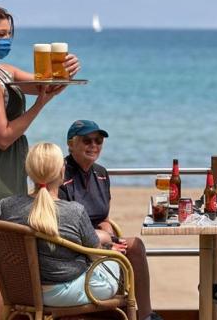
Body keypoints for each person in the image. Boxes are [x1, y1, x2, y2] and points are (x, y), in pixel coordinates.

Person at [0, 3, 80, 319]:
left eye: (10, 33)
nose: (7, 39)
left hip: (8, 169)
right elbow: (2, 137)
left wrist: (65, 69)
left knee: (6, 270)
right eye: (1, 34)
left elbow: (45, 83)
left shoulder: (2, 71)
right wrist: (41, 104)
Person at [0, 143, 121, 307]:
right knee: (117, 263)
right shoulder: (75, 211)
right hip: (65, 292)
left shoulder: (8, 205)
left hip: (24, 291)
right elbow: (96, 254)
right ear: (62, 171)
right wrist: (109, 252)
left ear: (28, 172)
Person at [59, 120, 161, 320]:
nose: (94, 146)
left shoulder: (101, 174)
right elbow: (63, 227)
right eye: (87, 140)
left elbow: (104, 217)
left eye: (98, 141)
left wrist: (110, 235)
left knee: (135, 246)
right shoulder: (61, 173)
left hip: (99, 241)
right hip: (74, 246)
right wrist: (103, 241)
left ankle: (146, 315)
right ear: (71, 144)